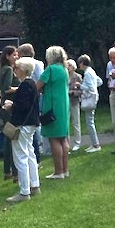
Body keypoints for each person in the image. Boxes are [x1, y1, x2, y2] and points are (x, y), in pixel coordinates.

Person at [4, 57, 40, 203]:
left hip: (22, 124)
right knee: (29, 154)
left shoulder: (25, 85)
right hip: (31, 123)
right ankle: (34, 185)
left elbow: (23, 106)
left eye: (17, 68)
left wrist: (11, 106)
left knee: (20, 157)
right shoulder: (31, 84)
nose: (15, 70)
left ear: (24, 70)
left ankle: (24, 192)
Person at [36, 46, 69, 179]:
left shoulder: (50, 69)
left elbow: (37, 86)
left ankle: (58, 171)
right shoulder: (64, 69)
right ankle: (65, 170)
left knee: (54, 138)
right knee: (63, 138)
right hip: (63, 105)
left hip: (52, 105)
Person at [0, 45, 19, 181]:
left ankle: (7, 170)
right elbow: (6, 89)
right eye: (14, 55)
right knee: (13, 137)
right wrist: (20, 88)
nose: (16, 57)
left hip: (4, 106)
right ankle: (14, 171)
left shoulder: (2, 69)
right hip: (9, 105)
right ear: (7, 56)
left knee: (8, 137)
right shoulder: (9, 69)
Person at [77, 54, 102, 153]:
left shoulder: (87, 73)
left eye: (80, 63)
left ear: (82, 63)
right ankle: (94, 143)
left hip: (90, 98)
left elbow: (90, 87)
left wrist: (81, 86)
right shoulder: (91, 71)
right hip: (94, 97)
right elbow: (99, 82)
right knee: (90, 122)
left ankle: (96, 144)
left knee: (90, 122)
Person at [66, 59, 82, 151]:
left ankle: (77, 143)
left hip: (74, 101)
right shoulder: (65, 77)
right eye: (67, 65)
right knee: (66, 123)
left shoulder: (77, 77)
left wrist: (73, 92)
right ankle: (66, 143)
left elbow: (81, 90)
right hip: (66, 102)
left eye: (69, 65)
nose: (67, 67)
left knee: (76, 122)